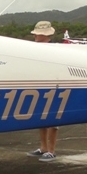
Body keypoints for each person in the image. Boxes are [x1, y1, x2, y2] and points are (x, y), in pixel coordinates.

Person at [27, 21, 59, 161]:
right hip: (40, 86)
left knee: (52, 119)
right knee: (42, 118)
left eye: (38, 34)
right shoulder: (36, 49)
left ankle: (51, 150)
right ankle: (44, 147)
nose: (35, 37)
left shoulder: (54, 49)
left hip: (53, 86)